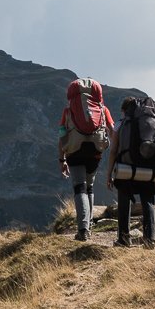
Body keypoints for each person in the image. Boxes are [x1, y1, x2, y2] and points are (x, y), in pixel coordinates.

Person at [58, 78, 115, 241]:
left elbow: (61, 137)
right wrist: (114, 151)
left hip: (74, 152)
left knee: (79, 188)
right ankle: (88, 226)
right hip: (95, 153)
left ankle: (83, 230)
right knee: (89, 187)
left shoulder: (68, 111)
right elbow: (111, 130)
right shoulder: (103, 109)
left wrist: (61, 160)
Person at [106, 96, 155, 248]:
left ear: (124, 110)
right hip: (148, 167)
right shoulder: (150, 122)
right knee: (147, 200)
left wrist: (109, 174)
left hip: (127, 168)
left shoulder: (121, 124)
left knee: (124, 200)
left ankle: (124, 239)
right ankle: (150, 238)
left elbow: (113, 151)